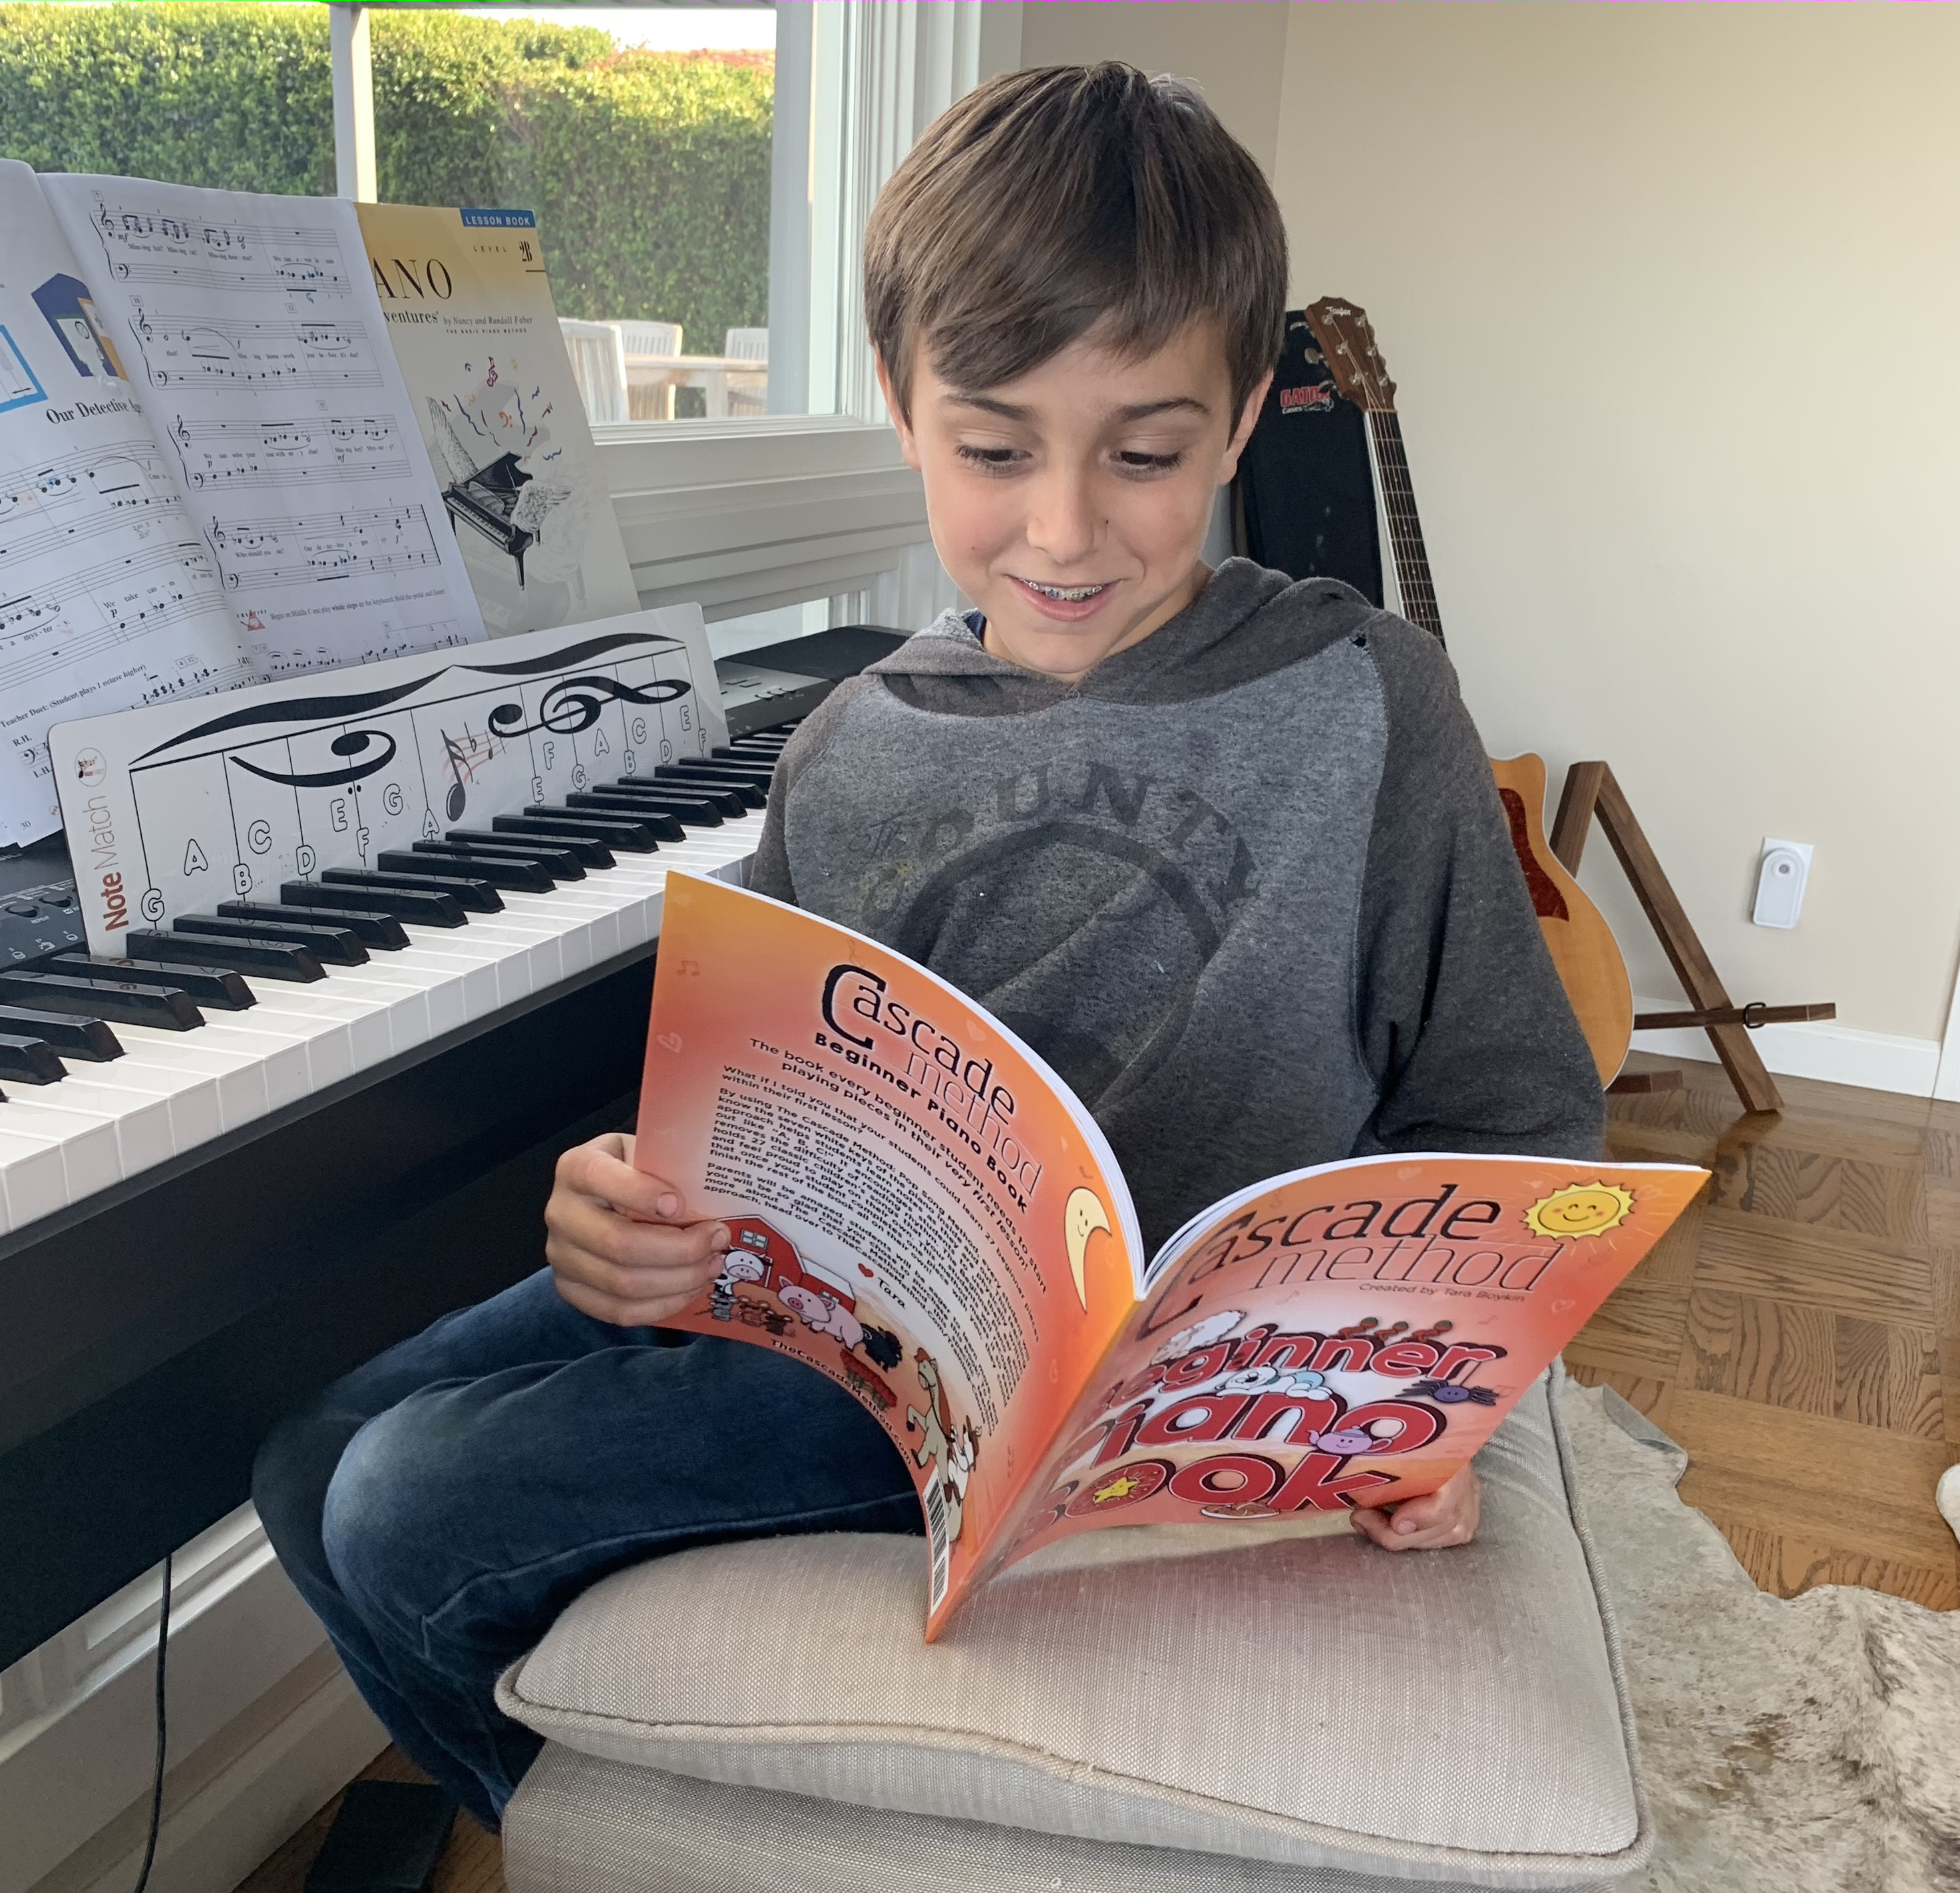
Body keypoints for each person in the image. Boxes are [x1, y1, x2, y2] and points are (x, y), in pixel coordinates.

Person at [253, 63, 1603, 1831]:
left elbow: (1517, 1112)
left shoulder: (1368, 703)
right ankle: (578, 1833)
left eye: (1145, 452)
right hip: (842, 1318)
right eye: (992, 448)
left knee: (397, 1501)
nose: (1062, 528)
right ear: (900, 405)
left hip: (1086, 1405)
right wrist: (629, 1213)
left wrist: (1432, 1409)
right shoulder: (850, 748)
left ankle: (549, 1832)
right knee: (299, 1456)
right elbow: (746, 1139)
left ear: (1247, 414)